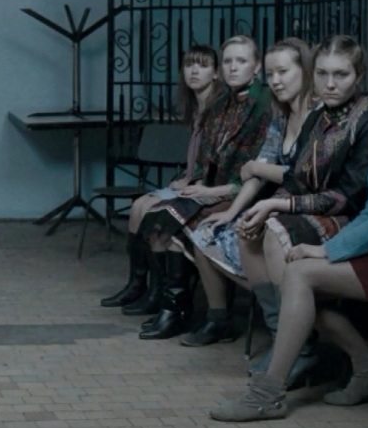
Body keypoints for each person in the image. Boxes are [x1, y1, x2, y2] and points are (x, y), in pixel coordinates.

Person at [211, 36, 368, 422]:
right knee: (296, 272)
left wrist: (327, 250)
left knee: (301, 273)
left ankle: (268, 393)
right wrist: (326, 248)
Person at [128, 35, 273, 340]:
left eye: (242, 61)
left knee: (177, 228)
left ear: (257, 66)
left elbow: (259, 168)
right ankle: (172, 307)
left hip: (249, 193)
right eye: (228, 61)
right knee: (159, 219)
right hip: (212, 188)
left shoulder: (263, 104)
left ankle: (199, 314)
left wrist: (212, 191)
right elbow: (207, 156)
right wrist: (198, 183)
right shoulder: (222, 103)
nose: (233, 67)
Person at [181, 38, 316, 349]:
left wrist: (255, 169)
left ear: (305, 72)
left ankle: (291, 336)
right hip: (277, 199)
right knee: (208, 232)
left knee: (252, 234)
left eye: (283, 72)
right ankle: (233, 320)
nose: (276, 81)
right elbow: (261, 169)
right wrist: (231, 211)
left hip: (310, 204)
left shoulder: (316, 116)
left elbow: (304, 174)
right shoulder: (281, 116)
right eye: (272, 74)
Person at [101, 44, 220, 308]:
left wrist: (192, 179)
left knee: (148, 210)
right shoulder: (196, 107)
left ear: (216, 74)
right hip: (190, 180)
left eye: (202, 65)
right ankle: (138, 284)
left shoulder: (217, 110)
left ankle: (158, 292)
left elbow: (214, 160)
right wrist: (186, 175)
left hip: (205, 187)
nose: (194, 71)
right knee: (137, 206)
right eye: (189, 65)